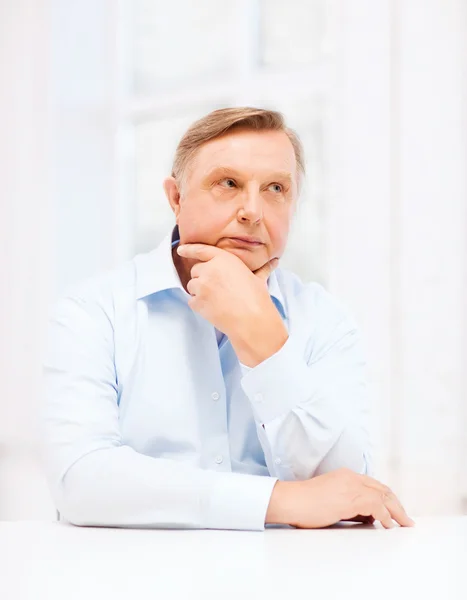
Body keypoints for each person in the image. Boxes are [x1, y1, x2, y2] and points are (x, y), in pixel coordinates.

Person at [41, 107, 414, 531]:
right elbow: (80, 480)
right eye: (228, 183)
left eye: (276, 188)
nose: (252, 211)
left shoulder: (326, 321)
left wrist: (261, 335)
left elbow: (348, 490)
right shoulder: (93, 312)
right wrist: (278, 501)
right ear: (176, 198)